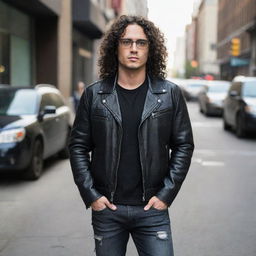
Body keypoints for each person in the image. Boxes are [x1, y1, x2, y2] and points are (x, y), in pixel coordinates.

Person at [69, 15, 194, 256]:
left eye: (141, 43)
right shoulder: (95, 95)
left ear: (151, 49)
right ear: (115, 48)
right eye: (126, 42)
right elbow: (78, 147)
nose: (134, 49)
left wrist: (166, 194)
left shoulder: (169, 94)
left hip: (152, 210)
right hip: (108, 210)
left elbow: (183, 145)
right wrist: (92, 195)